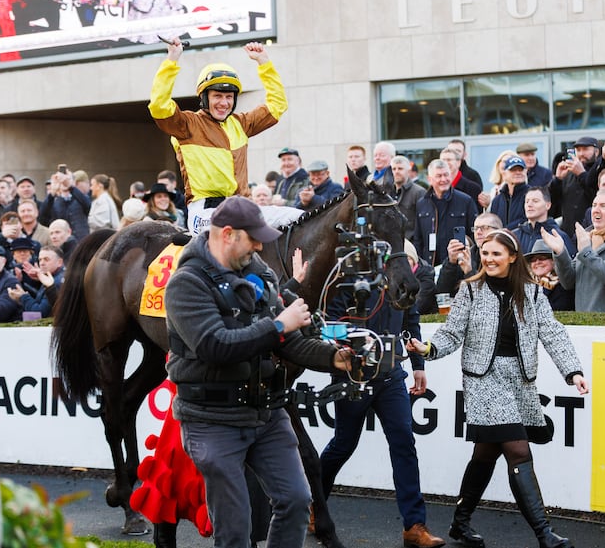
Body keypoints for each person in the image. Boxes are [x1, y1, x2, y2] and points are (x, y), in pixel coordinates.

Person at [164, 196, 351, 548]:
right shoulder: (185, 283)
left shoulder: (261, 273)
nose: (261, 245)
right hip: (211, 419)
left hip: (266, 413)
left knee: (296, 501)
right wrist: (279, 325)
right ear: (228, 234)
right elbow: (214, 346)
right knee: (235, 529)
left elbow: (289, 343)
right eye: (253, 238)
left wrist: (335, 358)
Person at [406, 229, 588, 548]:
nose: (489, 259)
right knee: (518, 449)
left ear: (512, 257)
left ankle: (460, 524)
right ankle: (544, 533)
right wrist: (428, 349)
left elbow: (552, 332)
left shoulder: (531, 293)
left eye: (496, 254)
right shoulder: (471, 290)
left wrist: (573, 372)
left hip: (519, 381)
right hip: (482, 380)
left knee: (486, 452)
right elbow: (453, 333)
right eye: (485, 253)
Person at [320, 246, 444, 548]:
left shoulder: (402, 289)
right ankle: (315, 506)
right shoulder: (350, 282)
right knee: (343, 444)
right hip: (354, 376)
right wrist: (351, 345)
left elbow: (411, 324)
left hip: (391, 378)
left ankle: (414, 526)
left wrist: (418, 368)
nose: (407, 273)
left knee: (404, 443)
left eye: (411, 266)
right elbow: (327, 324)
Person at [149, 39, 287, 235]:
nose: (224, 103)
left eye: (229, 97)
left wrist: (264, 63)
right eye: (217, 96)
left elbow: (277, 106)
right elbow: (159, 106)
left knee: (298, 218)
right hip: (205, 212)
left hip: (241, 207)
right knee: (238, 230)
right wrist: (172, 59)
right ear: (204, 97)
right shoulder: (187, 125)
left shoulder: (241, 123)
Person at [542, 189, 605, 313]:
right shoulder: (589, 239)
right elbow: (568, 282)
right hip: (585, 324)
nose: (596, 210)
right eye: (594, 205)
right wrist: (560, 253)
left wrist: (587, 252)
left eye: (603, 206)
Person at [412, 159, 478, 267]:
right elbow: (418, 239)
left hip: (458, 265)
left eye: (446, 175)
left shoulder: (466, 201)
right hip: (430, 266)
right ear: (430, 179)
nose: (443, 179)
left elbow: (474, 234)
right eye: (439, 176)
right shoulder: (422, 203)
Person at [436, 213, 503, 296]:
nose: (478, 232)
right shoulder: (467, 255)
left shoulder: (503, 257)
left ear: (498, 230)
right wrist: (451, 263)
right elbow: (442, 291)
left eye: (485, 228)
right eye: (475, 228)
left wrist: (469, 272)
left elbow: (487, 297)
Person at [549, 137, 599, 237]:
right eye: (578, 150)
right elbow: (552, 201)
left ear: (596, 152)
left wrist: (582, 174)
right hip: (568, 232)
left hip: (592, 232)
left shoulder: (600, 171)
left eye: (585, 149)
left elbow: (596, 196)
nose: (581, 154)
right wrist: (558, 179)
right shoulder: (568, 173)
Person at [513, 186, 575, 257]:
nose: (529, 205)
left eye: (535, 201)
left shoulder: (558, 236)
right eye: (527, 201)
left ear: (548, 205)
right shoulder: (515, 236)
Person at [7, 245, 65, 318]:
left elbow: (39, 313)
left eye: (46, 259)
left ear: (59, 262)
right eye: (40, 260)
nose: (42, 263)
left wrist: (23, 297)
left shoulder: (56, 282)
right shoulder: (52, 276)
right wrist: (38, 280)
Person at [40, 170, 91, 241]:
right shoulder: (54, 202)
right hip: (62, 244)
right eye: (61, 181)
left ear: (73, 182)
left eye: (67, 180)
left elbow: (88, 205)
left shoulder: (80, 198)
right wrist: (52, 193)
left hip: (81, 242)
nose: (63, 182)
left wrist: (71, 187)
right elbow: (42, 218)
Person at [524, 239, 574, 311]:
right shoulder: (527, 285)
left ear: (553, 261)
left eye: (542, 258)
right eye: (533, 260)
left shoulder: (564, 285)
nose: (537, 262)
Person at [390, 155, 426, 240]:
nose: (396, 172)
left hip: (410, 243)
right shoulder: (386, 192)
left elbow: (423, 224)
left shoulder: (419, 192)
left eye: (400, 168)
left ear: (408, 170)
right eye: (393, 169)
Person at [490, 155, 529, 229]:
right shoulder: (497, 200)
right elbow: (493, 224)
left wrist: (506, 230)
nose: (517, 172)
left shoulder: (532, 194)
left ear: (526, 171)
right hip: (501, 239)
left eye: (520, 169)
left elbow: (529, 220)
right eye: (513, 170)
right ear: (504, 174)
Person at [404, 239, 437, 315]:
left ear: (414, 260)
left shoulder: (426, 277)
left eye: (408, 258)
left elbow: (419, 307)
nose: (404, 263)